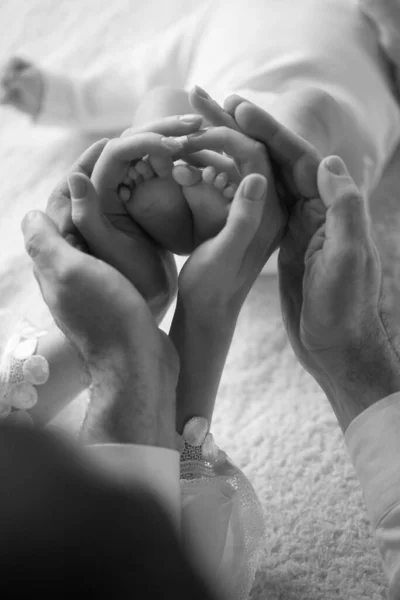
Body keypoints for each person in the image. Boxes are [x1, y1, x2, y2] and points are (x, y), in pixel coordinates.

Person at [1, 0, 400, 201]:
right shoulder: (215, 15)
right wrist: (60, 94)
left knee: (309, 108)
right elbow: (137, 75)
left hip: (321, 158)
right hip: (212, 137)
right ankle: (167, 202)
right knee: (162, 102)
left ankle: (269, 183)